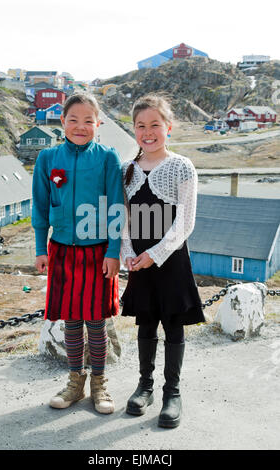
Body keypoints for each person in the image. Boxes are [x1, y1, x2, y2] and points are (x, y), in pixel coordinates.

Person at [32, 91, 124, 414]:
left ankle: (99, 384)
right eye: (74, 119)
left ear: (98, 124)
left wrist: (114, 251)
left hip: (98, 254)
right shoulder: (47, 160)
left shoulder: (107, 158)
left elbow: (116, 206)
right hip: (62, 253)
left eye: (88, 121)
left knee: (96, 322)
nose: (81, 126)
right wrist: (40, 247)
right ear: (62, 122)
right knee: (71, 321)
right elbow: (41, 207)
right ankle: (75, 382)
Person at [121, 94, 205, 428]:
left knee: (172, 324)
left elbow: (185, 222)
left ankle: (173, 392)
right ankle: (145, 386)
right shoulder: (127, 169)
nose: (148, 132)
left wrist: (154, 255)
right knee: (145, 323)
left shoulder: (181, 166)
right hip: (138, 261)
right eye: (141, 126)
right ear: (134, 130)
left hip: (169, 260)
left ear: (168, 127)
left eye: (155, 124)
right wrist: (128, 251)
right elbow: (124, 218)